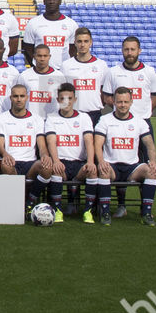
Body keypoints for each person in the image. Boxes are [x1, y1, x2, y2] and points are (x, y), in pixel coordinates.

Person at [93, 87, 156, 226]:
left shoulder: (139, 121)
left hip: (132, 168)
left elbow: (149, 144)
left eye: (125, 102)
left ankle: (146, 213)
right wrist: (101, 161)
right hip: (112, 166)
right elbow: (97, 144)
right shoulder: (105, 120)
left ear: (131, 102)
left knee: (151, 172)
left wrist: (152, 161)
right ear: (114, 102)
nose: (122, 105)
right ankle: (105, 213)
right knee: (104, 171)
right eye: (119, 102)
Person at [43, 84, 95, 223]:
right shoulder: (52, 117)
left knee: (92, 171)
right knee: (55, 171)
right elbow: (51, 141)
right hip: (62, 163)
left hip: (79, 163)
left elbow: (89, 140)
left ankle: (87, 212)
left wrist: (90, 161)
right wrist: (56, 160)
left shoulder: (84, 117)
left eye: (69, 98)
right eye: (62, 98)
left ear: (75, 99)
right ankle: (58, 210)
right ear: (58, 99)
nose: (66, 101)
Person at [0, 84, 49, 214]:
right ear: (10, 98)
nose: (19, 99)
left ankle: (30, 202)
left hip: (30, 163)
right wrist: (5, 154)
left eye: (22, 96)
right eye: (15, 96)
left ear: (27, 98)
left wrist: (45, 155)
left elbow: (41, 145)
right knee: (5, 165)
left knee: (47, 167)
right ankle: (15, 204)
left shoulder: (37, 119)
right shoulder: (1, 118)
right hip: (11, 161)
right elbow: (0, 144)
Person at [106, 36, 156, 125]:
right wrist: (121, 110)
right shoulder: (113, 72)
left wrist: (144, 111)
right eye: (126, 49)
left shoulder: (150, 72)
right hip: (120, 122)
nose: (129, 53)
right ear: (122, 51)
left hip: (143, 121)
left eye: (133, 49)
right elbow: (107, 98)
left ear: (139, 51)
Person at [60, 27, 109, 122]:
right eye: (79, 41)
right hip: (72, 113)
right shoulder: (66, 65)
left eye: (86, 41)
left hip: (94, 113)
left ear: (91, 42)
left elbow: (104, 91)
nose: (82, 45)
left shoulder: (101, 65)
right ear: (75, 43)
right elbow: (61, 91)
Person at [22, 0, 79, 65]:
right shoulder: (33, 23)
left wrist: (65, 65)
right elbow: (28, 48)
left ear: (60, 2)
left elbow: (73, 49)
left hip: (62, 71)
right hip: (41, 71)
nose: (52, 1)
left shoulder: (71, 24)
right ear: (44, 2)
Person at [21, 44, 66, 119]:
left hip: (52, 119)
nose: (42, 59)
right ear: (34, 57)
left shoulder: (59, 76)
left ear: (49, 57)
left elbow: (64, 100)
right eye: (39, 56)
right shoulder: (24, 75)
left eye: (45, 56)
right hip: (31, 120)